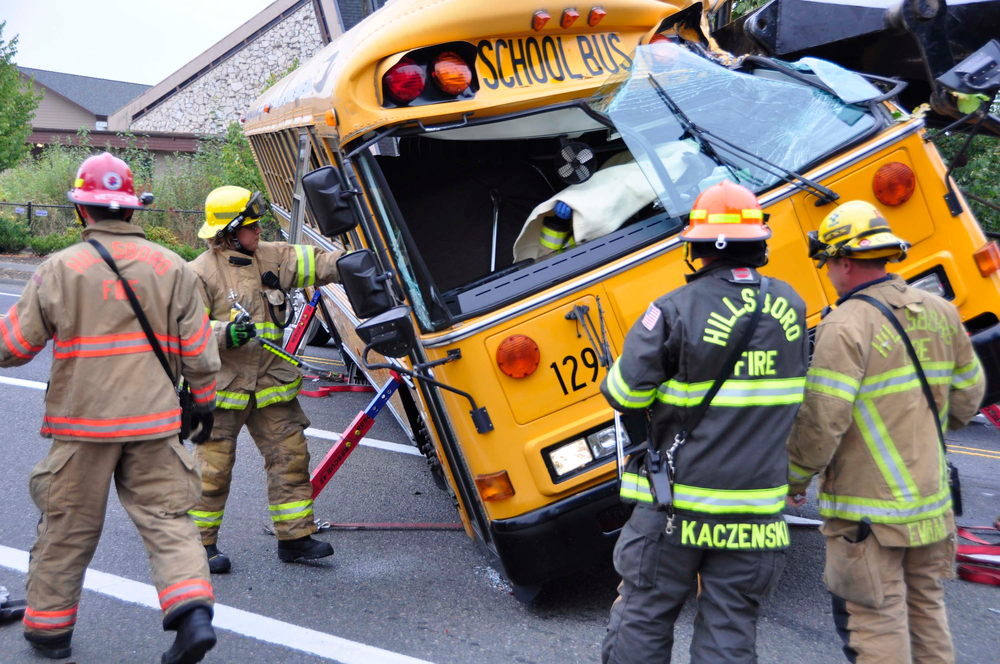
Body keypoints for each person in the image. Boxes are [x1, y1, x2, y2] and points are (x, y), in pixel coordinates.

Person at [0, 152, 221, 663]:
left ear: (82, 210)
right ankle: (192, 616)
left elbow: (12, 346)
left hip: (83, 429)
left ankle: (50, 632)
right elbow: (200, 355)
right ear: (130, 210)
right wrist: (202, 405)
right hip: (157, 424)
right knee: (168, 519)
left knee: (66, 527)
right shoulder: (174, 267)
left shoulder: (59, 269)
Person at [600, 180, 808, 663]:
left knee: (646, 611)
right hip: (756, 512)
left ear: (696, 247)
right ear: (759, 242)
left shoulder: (674, 309)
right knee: (730, 626)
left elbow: (625, 393)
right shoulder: (791, 307)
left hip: (678, 506)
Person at [786, 200, 985, 664]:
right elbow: (968, 398)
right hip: (932, 507)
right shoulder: (939, 311)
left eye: (828, 263)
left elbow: (822, 423)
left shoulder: (844, 325)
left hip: (869, 518)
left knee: (876, 625)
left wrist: (795, 478)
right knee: (927, 616)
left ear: (845, 261)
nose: (828, 273)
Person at [188, 185, 345, 573]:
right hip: (222, 390)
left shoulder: (272, 256)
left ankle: (294, 539)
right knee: (212, 471)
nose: (259, 231)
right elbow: (181, 330)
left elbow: (319, 263)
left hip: (270, 386)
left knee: (289, 457)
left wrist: (357, 262)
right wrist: (224, 334)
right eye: (252, 225)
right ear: (230, 231)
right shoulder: (198, 273)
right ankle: (196, 548)